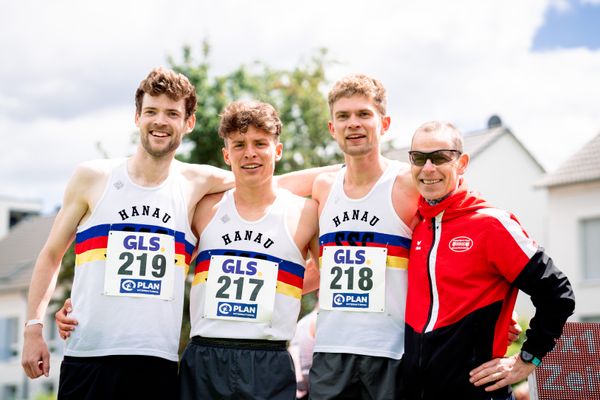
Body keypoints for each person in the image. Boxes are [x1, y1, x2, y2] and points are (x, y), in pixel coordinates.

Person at [21, 68, 325, 400]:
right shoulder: (93, 177)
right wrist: (35, 326)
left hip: (158, 362)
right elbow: (51, 255)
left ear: (188, 122)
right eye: (151, 111)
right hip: (89, 354)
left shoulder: (195, 184)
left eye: (172, 113)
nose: (160, 121)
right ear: (137, 116)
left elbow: (266, 181)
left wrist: (345, 171)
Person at [402, 121, 575, 400]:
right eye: (419, 158)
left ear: (462, 163)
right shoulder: (416, 225)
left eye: (441, 157)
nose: (428, 168)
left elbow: (558, 293)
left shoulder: (492, 224)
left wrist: (528, 359)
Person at [177, 100, 320, 399]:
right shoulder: (203, 209)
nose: (250, 153)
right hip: (206, 356)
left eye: (260, 143)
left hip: (268, 360)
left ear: (277, 151)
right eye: (239, 144)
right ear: (226, 154)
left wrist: (282, 291)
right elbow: (167, 269)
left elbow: (330, 277)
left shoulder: (305, 213)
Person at [308, 74, 419, 399]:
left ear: (384, 123)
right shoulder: (323, 188)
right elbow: (320, 270)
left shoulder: (407, 185)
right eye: (343, 116)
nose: (353, 124)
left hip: (391, 351)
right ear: (332, 128)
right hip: (329, 352)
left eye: (363, 114)